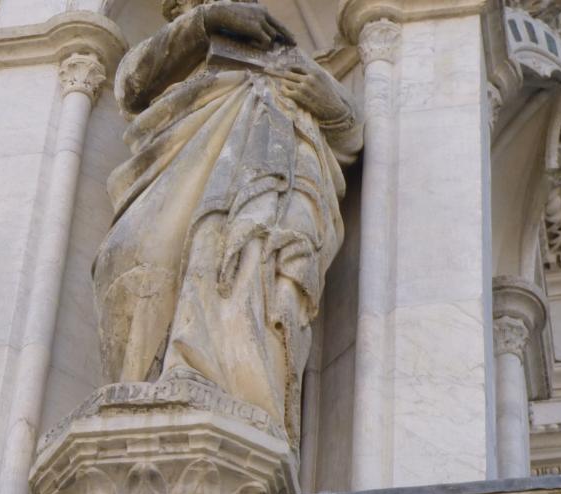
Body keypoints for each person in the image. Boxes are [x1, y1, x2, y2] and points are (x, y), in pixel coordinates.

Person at [94, 0, 361, 444]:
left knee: (241, 259)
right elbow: (131, 85)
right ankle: (143, 389)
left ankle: (243, 397)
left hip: (267, 189)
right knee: (137, 254)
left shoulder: (286, 57)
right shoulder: (181, 49)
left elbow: (351, 133)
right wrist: (205, 24)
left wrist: (331, 107)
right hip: (178, 170)